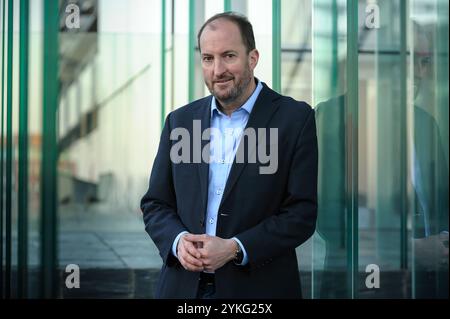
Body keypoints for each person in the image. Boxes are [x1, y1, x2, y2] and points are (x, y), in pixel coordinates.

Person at [140, 12, 318, 299]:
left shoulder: (295, 119)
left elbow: (301, 214)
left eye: (229, 56)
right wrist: (178, 241)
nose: (217, 69)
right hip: (183, 289)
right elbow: (155, 204)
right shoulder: (181, 121)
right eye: (208, 58)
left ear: (253, 58)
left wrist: (235, 248)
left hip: (259, 290)